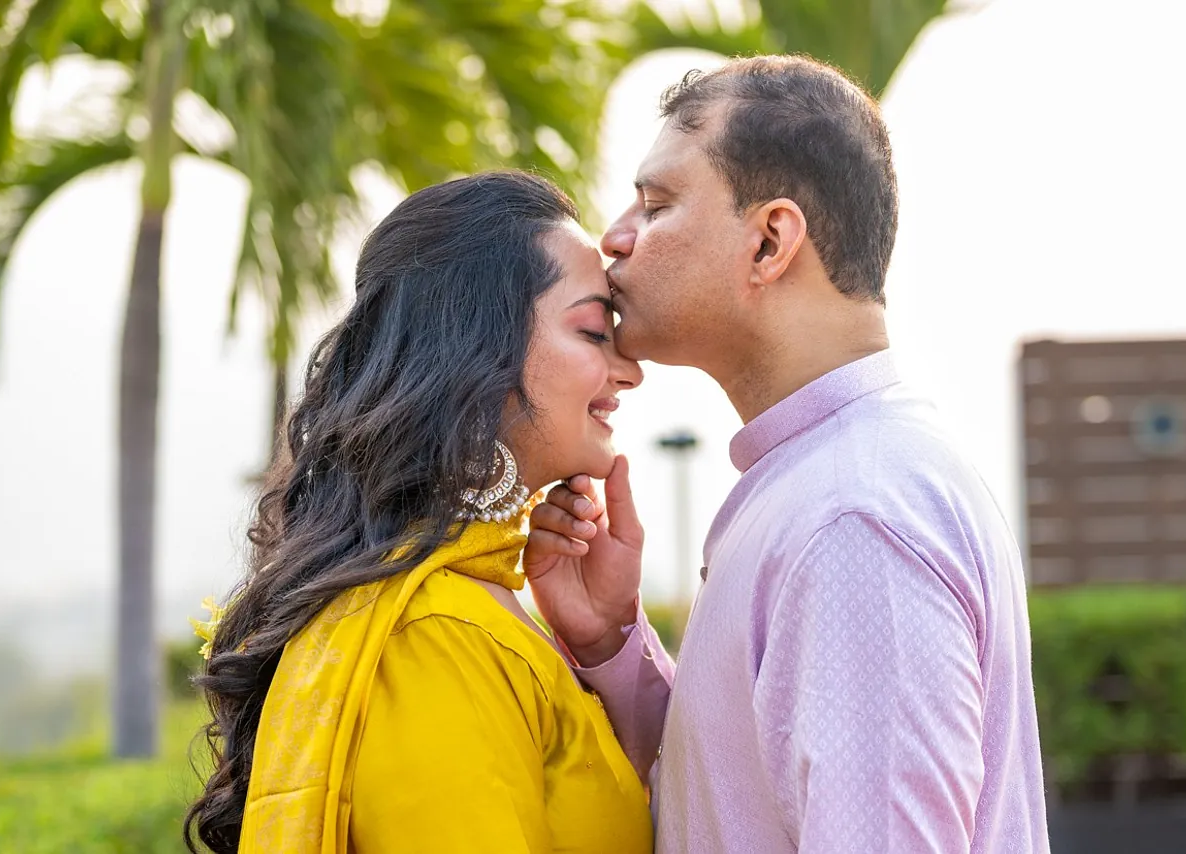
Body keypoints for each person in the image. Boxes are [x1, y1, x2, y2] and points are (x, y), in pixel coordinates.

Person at [524, 56, 1052, 852]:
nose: (616, 237)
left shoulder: (855, 518)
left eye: (657, 205)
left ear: (770, 241)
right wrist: (610, 640)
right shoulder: (834, 481)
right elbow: (736, 801)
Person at [184, 171, 650, 854]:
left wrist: (606, 640)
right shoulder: (436, 635)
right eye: (592, 332)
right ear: (477, 352)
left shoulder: (465, 606)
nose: (630, 370)